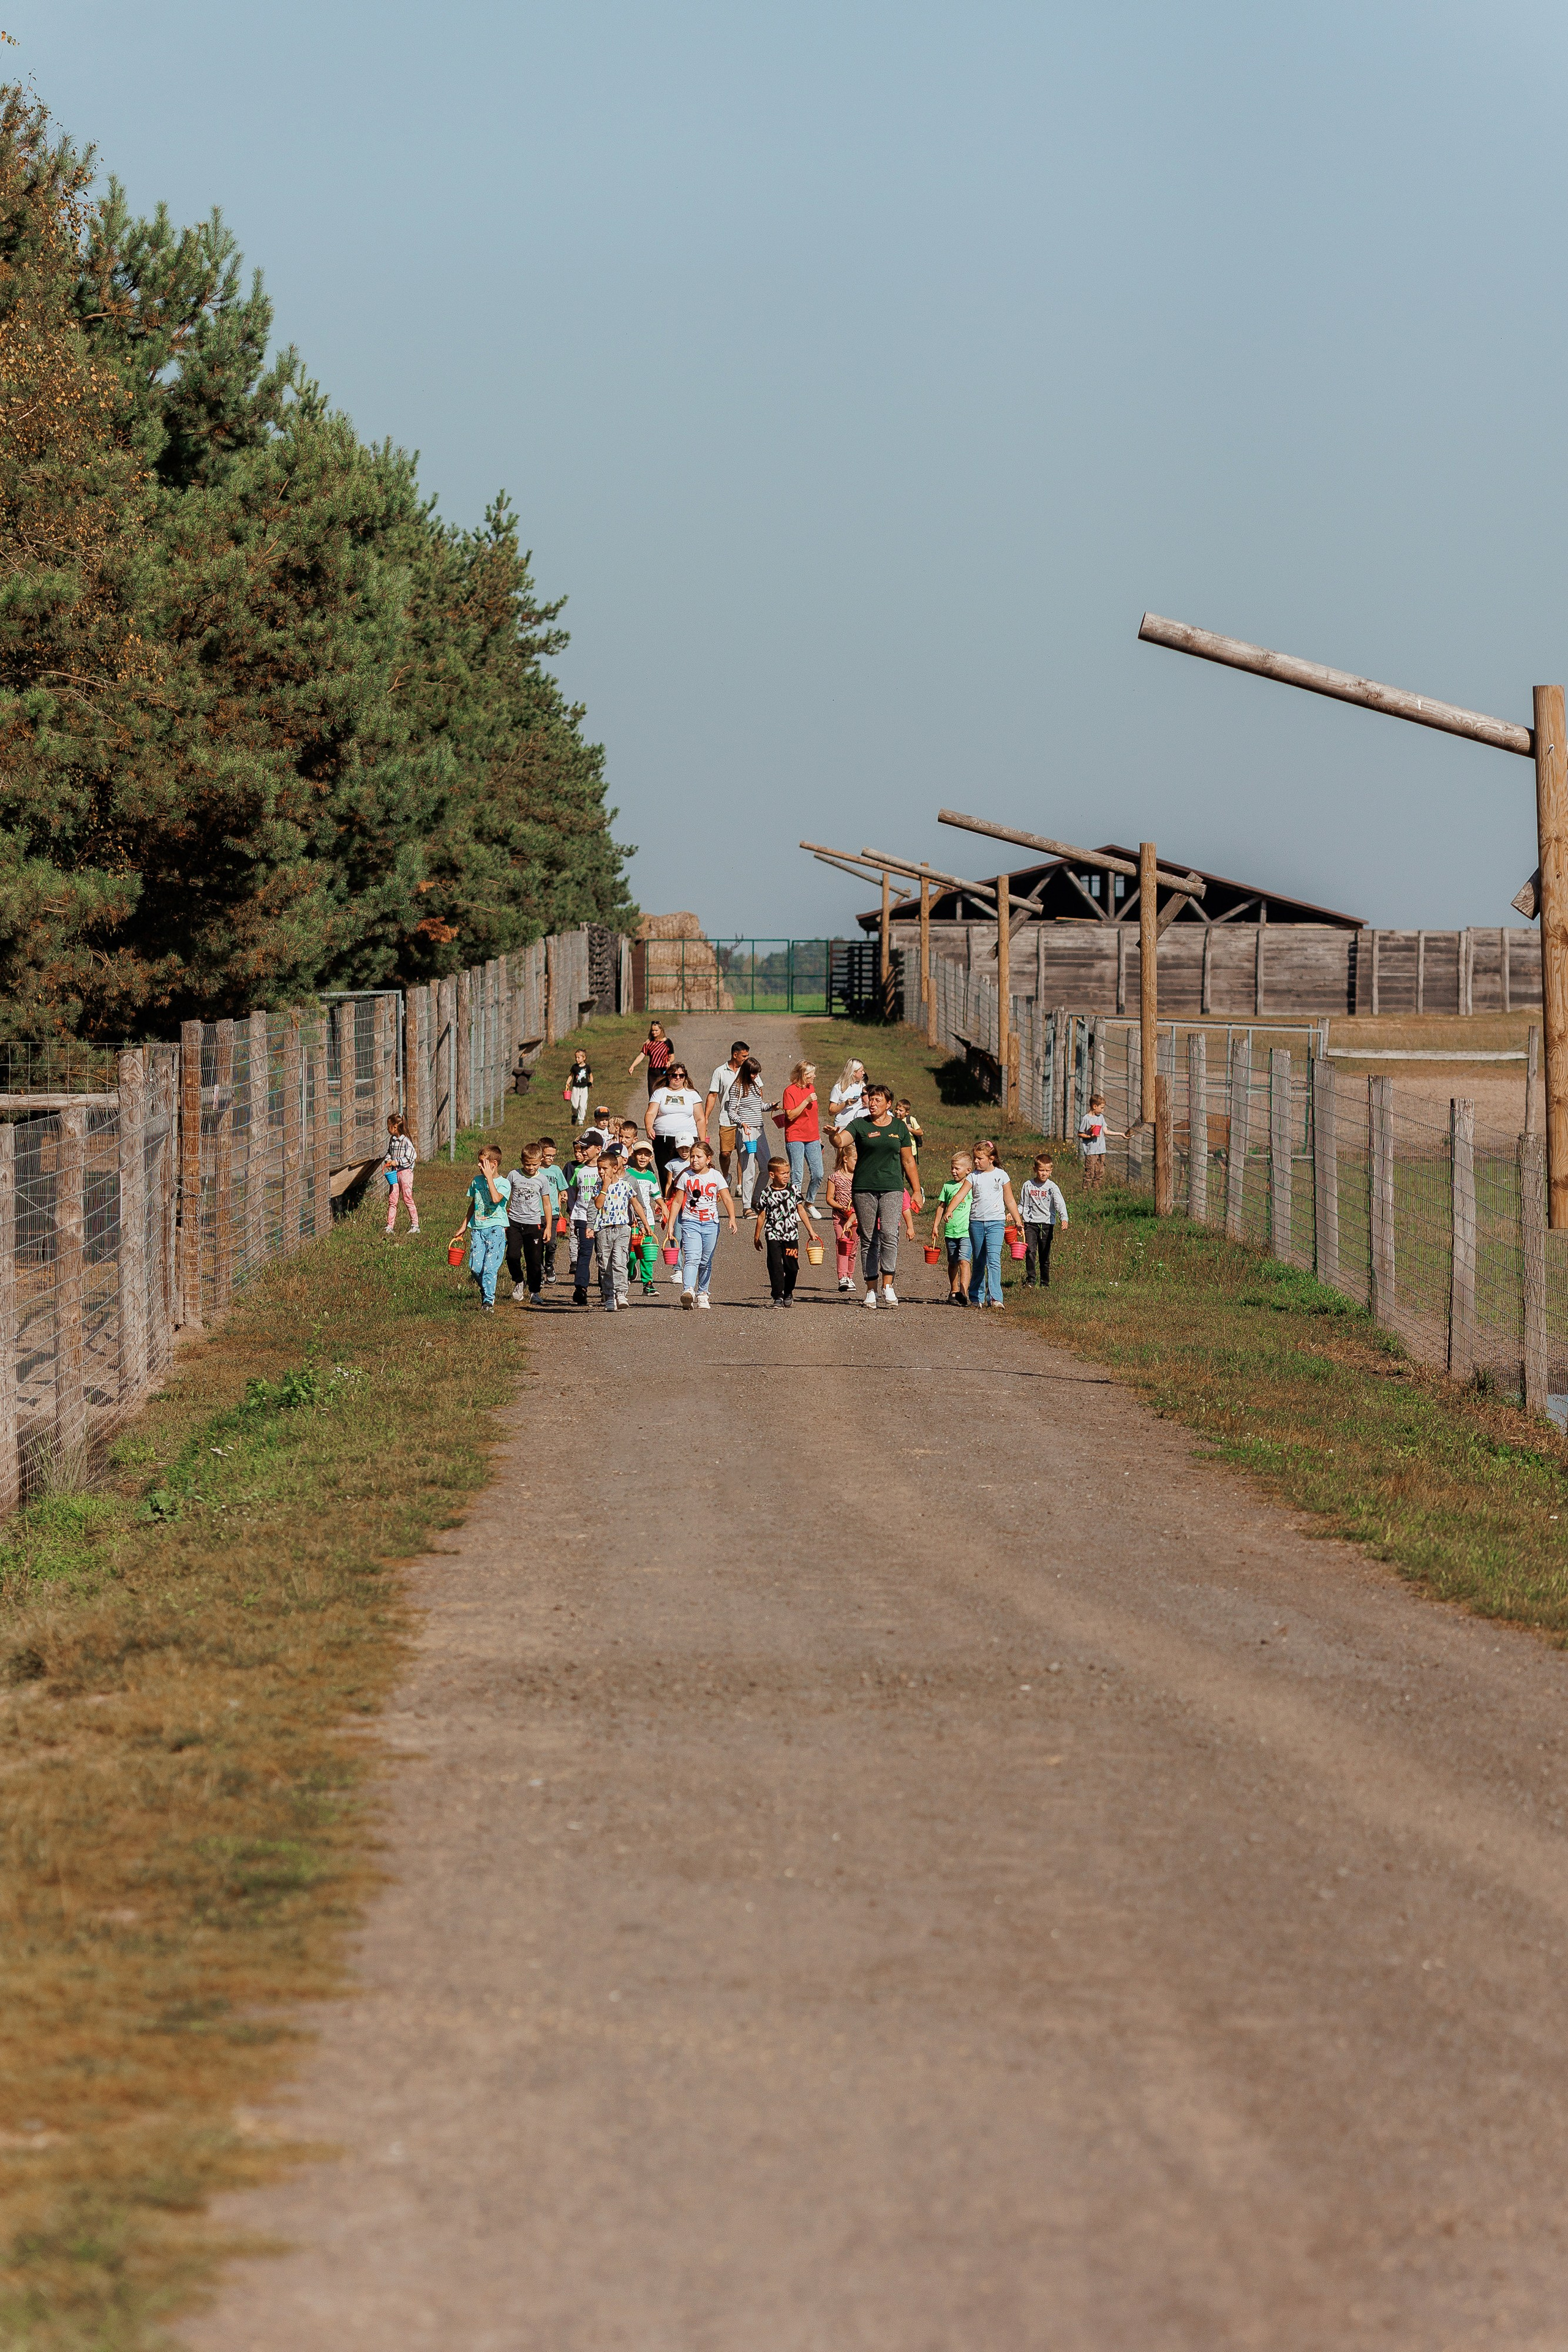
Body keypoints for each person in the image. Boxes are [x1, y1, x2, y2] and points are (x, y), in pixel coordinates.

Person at [846, 1082, 922, 1309]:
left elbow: (908, 1161)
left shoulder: (899, 1128)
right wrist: (833, 1138)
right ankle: (871, 1290)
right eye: (871, 1099)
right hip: (864, 1187)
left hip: (892, 1187)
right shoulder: (860, 1124)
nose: (873, 1103)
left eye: (878, 1100)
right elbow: (842, 1140)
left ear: (888, 1104)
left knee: (890, 1233)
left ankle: (888, 1285)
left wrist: (917, 1190)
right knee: (869, 1237)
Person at [662, 1137, 737, 1310]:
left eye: (699, 1157)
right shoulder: (686, 1176)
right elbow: (677, 1202)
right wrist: (672, 1224)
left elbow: (726, 1198)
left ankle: (703, 1292)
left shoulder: (716, 1176)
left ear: (708, 1159)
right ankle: (688, 1290)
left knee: (706, 1261)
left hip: (711, 1224)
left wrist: (732, 1218)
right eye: (693, 1157)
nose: (694, 1160)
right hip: (690, 1222)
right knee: (692, 1257)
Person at [589, 1150, 653, 1313]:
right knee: (605, 1265)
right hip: (604, 1231)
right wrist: (604, 1186)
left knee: (619, 1261)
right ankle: (609, 1296)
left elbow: (636, 1204)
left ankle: (621, 1293)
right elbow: (598, 1205)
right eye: (599, 1169)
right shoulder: (598, 1186)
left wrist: (645, 1224)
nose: (601, 1172)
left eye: (604, 1168)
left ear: (615, 1168)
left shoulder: (625, 1185)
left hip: (623, 1229)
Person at [450, 1144, 508, 1311]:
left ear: (494, 1164)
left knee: (490, 1268)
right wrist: (464, 1226)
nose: (479, 1165)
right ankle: (485, 1291)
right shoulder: (476, 1181)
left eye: (482, 1162)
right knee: (475, 1268)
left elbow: (496, 1199)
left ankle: (488, 1302)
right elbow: (474, 1204)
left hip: (496, 1230)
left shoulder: (504, 1183)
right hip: (478, 1229)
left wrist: (490, 1178)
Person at [967, 1139, 1021, 1310]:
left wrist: (1018, 1220)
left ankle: (996, 1298)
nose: (976, 1161)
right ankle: (976, 1296)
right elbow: (961, 1194)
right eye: (975, 1158)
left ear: (991, 1158)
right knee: (978, 1260)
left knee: (994, 1259)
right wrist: (949, 1210)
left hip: (996, 1222)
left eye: (980, 1159)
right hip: (976, 1222)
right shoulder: (973, 1176)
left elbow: (1010, 1200)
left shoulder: (1002, 1175)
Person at [753, 1155, 809, 1306]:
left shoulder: (793, 1190)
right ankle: (778, 1295)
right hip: (773, 1234)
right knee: (775, 1265)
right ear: (772, 1175)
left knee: (792, 1267)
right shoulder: (766, 1194)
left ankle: (789, 1291)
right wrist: (757, 1236)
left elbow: (801, 1211)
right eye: (783, 1173)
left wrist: (811, 1231)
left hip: (791, 1235)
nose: (786, 1176)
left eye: (788, 1172)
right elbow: (761, 1216)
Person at [504, 1146, 549, 1305]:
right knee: (512, 1255)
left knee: (535, 1259)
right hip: (514, 1222)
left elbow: (547, 1204)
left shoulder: (542, 1180)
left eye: (535, 1165)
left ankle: (534, 1292)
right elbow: (505, 1197)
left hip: (534, 1224)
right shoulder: (513, 1175)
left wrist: (549, 1226)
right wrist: (504, 1220)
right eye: (527, 1164)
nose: (531, 1168)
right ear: (522, 1161)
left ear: (540, 1162)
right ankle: (519, 1281)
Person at [646, 1061, 704, 1184]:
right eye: (674, 1075)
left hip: (687, 1139)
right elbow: (651, 1113)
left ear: (685, 1077)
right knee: (665, 1172)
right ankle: (667, 1200)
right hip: (664, 1138)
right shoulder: (660, 1093)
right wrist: (649, 1127)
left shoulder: (692, 1094)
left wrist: (702, 1142)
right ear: (668, 1076)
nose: (677, 1078)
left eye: (681, 1076)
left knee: (688, 1170)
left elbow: (700, 1119)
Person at [723, 1055, 769, 1216]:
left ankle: (756, 1198)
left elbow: (758, 1106)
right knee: (749, 1167)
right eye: (753, 1073)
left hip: (759, 1130)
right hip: (746, 1131)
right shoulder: (737, 1087)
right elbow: (731, 1112)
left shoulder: (756, 1085)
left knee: (766, 1166)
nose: (756, 1076)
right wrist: (742, 1124)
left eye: (757, 1074)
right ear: (746, 1072)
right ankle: (747, 1206)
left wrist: (771, 1107)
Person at [704, 1040, 750, 1185]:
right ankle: (726, 1176)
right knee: (725, 1153)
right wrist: (705, 1118)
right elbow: (712, 1095)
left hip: (746, 1119)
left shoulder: (748, 1069)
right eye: (744, 1056)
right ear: (735, 1055)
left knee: (744, 1153)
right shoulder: (720, 1071)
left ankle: (741, 1185)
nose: (746, 1059)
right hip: (727, 1119)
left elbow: (759, 1090)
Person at [931, 1150, 974, 1305]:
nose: (953, 1171)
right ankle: (953, 1290)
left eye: (957, 1169)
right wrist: (936, 1225)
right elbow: (941, 1207)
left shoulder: (971, 1186)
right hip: (950, 1231)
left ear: (968, 1171)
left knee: (964, 1261)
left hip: (967, 1232)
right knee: (953, 1262)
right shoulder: (948, 1186)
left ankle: (963, 1292)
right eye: (952, 1168)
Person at [1020, 1154, 1069, 1288]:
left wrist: (1063, 1218)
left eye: (1047, 1171)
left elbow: (1060, 1204)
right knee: (1030, 1251)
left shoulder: (1052, 1187)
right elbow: (1023, 1205)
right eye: (1042, 1170)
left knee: (1045, 1254)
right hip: (1030, 1223)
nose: (1044, 1174)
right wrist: (1014, 1214)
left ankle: (1045, 1282)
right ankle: (1031, 1279)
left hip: (1047, 1224)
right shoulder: (1028, 1185)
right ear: (1035, 1169)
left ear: (1051, 1171)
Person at [778, 1061, 824, 1208]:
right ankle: (795, 1207)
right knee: (797, 1175)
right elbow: (790, 1115)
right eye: (812, 1074)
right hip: (795, 1136)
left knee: (818, 1174)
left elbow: (814, 1114)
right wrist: (806, 1101)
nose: (815, 1076)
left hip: (813, 1138)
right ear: (804, 1075)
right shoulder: (790, 1091)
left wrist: (818, 1135)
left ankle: (809, 1203)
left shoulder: (811, 1088)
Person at [567, 1140, 601, 1305]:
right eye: (582, 1148)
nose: (584, 1151)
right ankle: (581, 1288)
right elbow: (574, 1194)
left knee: (603, 1254)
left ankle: (606, 1288)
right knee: (585, 1252)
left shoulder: (605, 1168)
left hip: (603, 1218)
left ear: (598, 1149)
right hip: (582, 1216)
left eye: (587, 1148)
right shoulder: (579, 1170)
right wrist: (573, 1216)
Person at [627, 1142, 663, 1295]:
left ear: (651, 1157)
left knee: (647, 1255)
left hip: (647, 1220)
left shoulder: (650, 1176)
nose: (643, 1157)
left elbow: (656, 1196)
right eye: (640, 1154)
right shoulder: (628, 1174)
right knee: (633, 1254)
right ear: (633, 1155)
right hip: (631, 1221)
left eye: (646, 1154)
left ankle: (648, 1284)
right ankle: (628, 1272)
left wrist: (665, 1208)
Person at [826, 1135, 859, 1293]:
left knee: (853, 1248)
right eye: (855, 1160)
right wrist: (843, 1207)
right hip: (840, 1218)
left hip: (856, 1219)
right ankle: (842, 1277)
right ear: (845, 1159)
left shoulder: (859, 1178)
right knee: (842, 1245)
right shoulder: (835, 1177)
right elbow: (829, 1199)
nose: (857, 1164)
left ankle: (850, 1277)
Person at [382, 1113, 419, 1237]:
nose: (387, 1129)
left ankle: (415, 1225)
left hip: (405, 1173)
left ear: (395, 1127)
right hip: (394, 1172)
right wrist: (389, 1160)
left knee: (407, 1198)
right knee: (392, 1199)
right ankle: (390, 1226)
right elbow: (389, 1153)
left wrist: (397, 1161)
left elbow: (411, 1157)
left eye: (389, 1126)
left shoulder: (406, 1142)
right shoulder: (393, 1141)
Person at [537, 1137, 567, 1284]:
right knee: (537, 1245)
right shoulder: (534, 1170)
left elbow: (562, 1187)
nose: (551, 1159)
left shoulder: (556, 1170)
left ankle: (549, 1265)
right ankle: (540, 1270)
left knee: (551, 1243)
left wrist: (563, 1195)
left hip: (553, 1213)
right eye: (547, 1155)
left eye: (553, 1156)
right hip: (536, 1214)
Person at [628, 1021, 677, 1097]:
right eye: (652, 1030)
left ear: (661, 1030)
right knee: (653, 1095)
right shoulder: (649, 1043)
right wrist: (633, 1066)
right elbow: (642, 1055)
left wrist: (669, 1062)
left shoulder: (667, 1042)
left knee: (664, 1094)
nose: (654, 1033)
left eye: (656, 1030)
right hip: (652, 1072)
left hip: (663, 1071)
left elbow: (672, 1056)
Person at [828, 1058, 866, 1137]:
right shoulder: (838, 1088)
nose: (864, 1073)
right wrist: (845, 1104)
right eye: (861, 1071)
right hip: (843, 1125)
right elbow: (831, 1111)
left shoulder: (862, 1086)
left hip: (859, 1125)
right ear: (854, 1072)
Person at [1079, 1093, 1108, 1191]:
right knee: (1090, 1173)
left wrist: (1121, 1134)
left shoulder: (1101, 1118)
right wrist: (1090, 1136)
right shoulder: (1086, 1119)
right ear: (1094, 1106)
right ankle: (1085, 1192)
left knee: (1100, 1172)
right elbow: (1080, 1133)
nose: (1103, 1110)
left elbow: (1106, 1131)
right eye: (1102, 1108)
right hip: (1091, 1151)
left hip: (1101, 1150)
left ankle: (1096, 1191)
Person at [564, 1049, 592, 1127]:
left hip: (584, 1088)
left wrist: (591, 1083)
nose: (577, 1059)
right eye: (576, 1058)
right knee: (575, 1105)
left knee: (582, 1105)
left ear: (584, 1058)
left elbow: (591, 1076)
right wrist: (568, 1083)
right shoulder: (574, 1067)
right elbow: (571, 1075)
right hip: (576, 1088)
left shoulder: (587, 1067)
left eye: (579, 1058)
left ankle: (581, 1120)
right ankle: (575, 1115)